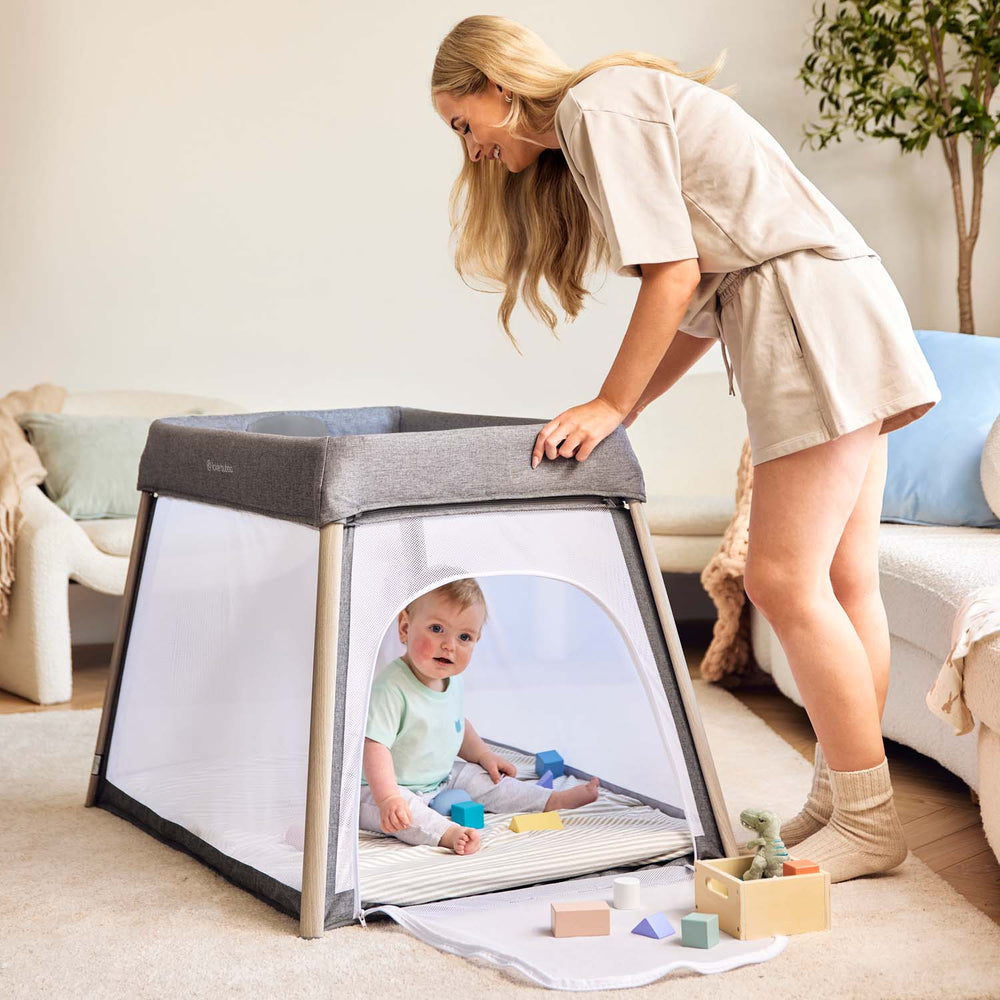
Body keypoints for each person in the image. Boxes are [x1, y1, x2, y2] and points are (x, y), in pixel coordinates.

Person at [430, 15, 942, 882]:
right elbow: (694, 305)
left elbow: (670, 276)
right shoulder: (611, 113)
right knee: (845, 580)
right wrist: (619, 412)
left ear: (497, 87)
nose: (468, 147)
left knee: (782, 578)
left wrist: (610, 401)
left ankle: (868, 817)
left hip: (806, 312)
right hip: (834, 300)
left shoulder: (596, 107)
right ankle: (845, 793)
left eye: (461, 123)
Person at [359, 578, 600, 854]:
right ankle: (448, 834)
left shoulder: (451, 679)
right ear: (405, 628)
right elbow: (373, 745)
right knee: (405, 814)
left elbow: (457, 725)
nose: (450, 645)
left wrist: (485, 756)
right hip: (383, 788)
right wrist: (388, 797)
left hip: (440, 779)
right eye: (437, 629)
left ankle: (549, 800)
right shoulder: (391, 688)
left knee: (482, 779)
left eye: (464, 637)